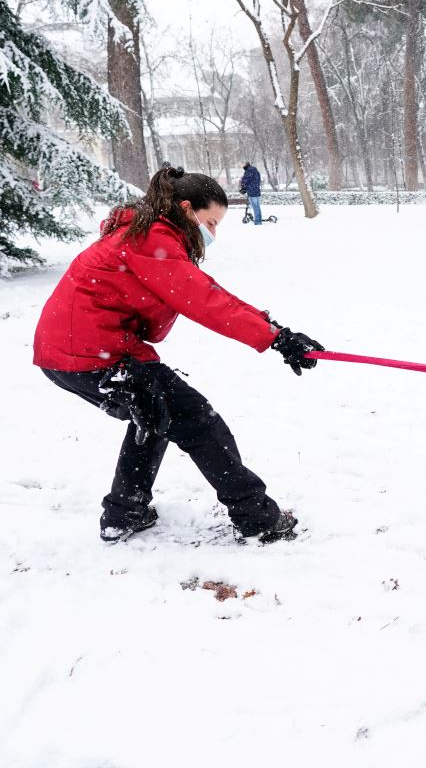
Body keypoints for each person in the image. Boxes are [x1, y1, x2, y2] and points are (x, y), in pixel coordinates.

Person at [32, 166, 323, 544]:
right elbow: (205, 300)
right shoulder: (153, 239)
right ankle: (257, 519)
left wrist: (275, 332)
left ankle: (125, 512)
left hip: (76, 353)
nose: (213, 234)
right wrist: (276, 337)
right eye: (211, 222)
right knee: (200, 422)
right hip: (92, 355)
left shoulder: (146, 232)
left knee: (155, 415)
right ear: (186, 209)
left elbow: (207, 293)